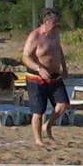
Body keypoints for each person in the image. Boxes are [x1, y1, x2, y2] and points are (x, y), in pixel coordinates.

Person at [19, 8, 69, 144]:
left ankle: (48, 125)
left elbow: (58, 50)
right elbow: (25, 57)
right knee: (38, 111)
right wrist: (39, 68)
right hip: (36, 77)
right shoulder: (35, 36)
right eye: (55, 21)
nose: (57, 24)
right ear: (46, 22)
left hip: (54, 76)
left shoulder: (55, 33)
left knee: (63, 103)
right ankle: (38, 139)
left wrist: (64, 67)